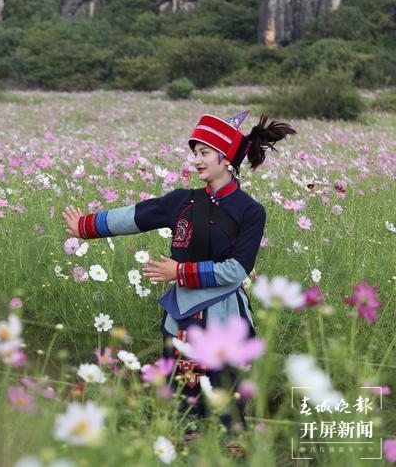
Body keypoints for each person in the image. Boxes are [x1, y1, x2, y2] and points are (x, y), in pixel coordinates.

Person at [63, 111, 296, 435]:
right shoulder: (181, 202)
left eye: (204, 153)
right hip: (181, 320)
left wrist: (180, 271)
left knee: (228, 406)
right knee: (183, 403)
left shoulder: (251, 211)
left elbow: (237, 270)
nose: (197, 160)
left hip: (226, 320)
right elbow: (135, 216)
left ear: (226, 158)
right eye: (195, 153)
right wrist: (85, 227)